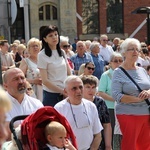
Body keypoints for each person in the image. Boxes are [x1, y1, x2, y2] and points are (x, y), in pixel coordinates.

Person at [111, 38, 150, 150]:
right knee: (130, 146)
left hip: (146, 113)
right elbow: (116, 95)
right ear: (123, 52)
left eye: (137, 49)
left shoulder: (142, 70)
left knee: (146, 146)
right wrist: (137, 99)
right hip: (128, 114)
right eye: (131, 49)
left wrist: (148, 92)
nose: (135, 52)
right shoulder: (118, 72)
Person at [54, 75, 103, 150]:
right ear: (65, 91)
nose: (79, 91)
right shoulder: (59, 108)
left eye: (80, 87)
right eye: (74, 88)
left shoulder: (91, 106)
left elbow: (98, 135)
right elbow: (56, 137)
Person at [2, 68, 43, 140]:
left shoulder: (36, 104)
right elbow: (7, 133)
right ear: (5, 86)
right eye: (15, 79)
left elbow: (43, 129)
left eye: (22, 78)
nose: (20, 82)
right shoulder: (2, 104)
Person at [37, 25, 71, 106]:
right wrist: (62, 91)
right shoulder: (42, 55)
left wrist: (69, 88)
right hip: (51, 94)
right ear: (45, 39)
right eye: (50, 36)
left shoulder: (62, 52)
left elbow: (69, 73)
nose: (54, 37)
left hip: (66, 92)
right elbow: (45, 81)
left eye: (56, 34)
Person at [98, 52, 123, 150]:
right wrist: (116, 99)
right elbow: (101, 92)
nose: (118, 63)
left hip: (123, 108)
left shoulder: (125, 74)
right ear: (110, 63)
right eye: (115, 61)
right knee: (113, 132)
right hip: (111, 108)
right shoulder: (106, 75)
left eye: (120, 61)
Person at [80, 75, 112, 150]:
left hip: (99, 140)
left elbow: (106, 124)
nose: (91, 90)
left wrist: (108, 146)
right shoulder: (77, 102)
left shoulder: (100, 102)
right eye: (88, 87)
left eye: (93, 87)